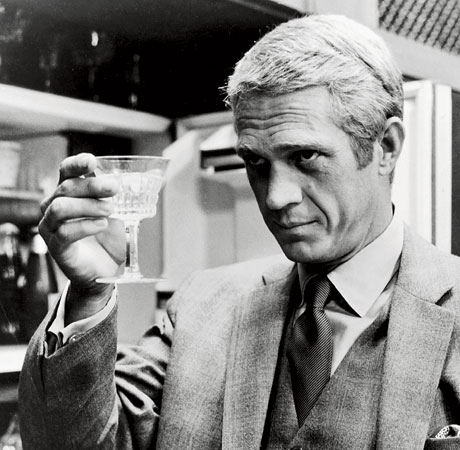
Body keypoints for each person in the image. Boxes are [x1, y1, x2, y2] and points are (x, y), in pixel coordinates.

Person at [18, 14, 460, 450]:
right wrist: (90, 294)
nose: (275, 197)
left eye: (305, 156)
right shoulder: (202, 307)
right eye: (256, 162)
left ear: (386, 148)